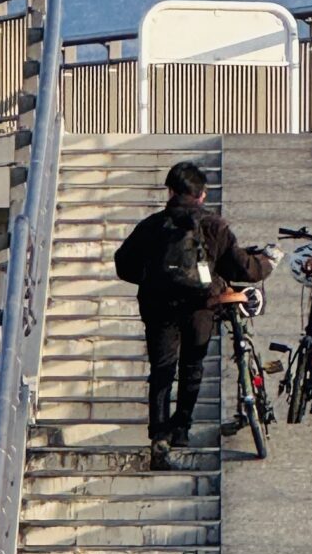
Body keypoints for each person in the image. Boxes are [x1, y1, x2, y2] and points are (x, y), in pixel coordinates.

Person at [114, 162, 274, 469]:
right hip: (202, 304)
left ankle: (159, 436)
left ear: (171, 191)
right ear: (201, 195)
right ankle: (182, 429)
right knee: (192, 366)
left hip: (159, 307)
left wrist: (153, 279)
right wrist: (265, 263)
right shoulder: (214, 226)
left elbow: (124, 265)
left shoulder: (151, 226)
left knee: (162, 370)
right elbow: (242, 268)